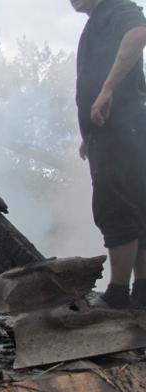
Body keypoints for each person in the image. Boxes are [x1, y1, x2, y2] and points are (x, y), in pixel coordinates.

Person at [72, 0, 146, 308]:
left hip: (120, 127)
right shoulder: (99, 20)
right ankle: (142, 291)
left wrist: (107, 89)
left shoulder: (117, 8)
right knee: (136, 205)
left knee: (114, 205)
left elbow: (138, 34)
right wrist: (89, 136)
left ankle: (117, 293)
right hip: (116, 130)